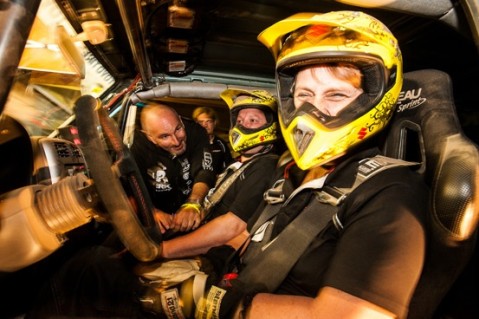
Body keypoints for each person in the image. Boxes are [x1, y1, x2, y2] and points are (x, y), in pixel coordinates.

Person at [192, 11, 429, 319]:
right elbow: (255, 236)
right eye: (304, 95)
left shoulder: (392, 193)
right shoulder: (291, 169)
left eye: (336, 94)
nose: (312, 110)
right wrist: (203, 269)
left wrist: (220, 305)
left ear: (372, 99)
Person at [159, 89, 279, 259]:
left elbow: (232, 226)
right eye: (239, 120)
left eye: (253, 120)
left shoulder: (265, 166)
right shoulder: (238, 164)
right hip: (194, 234)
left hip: (205, 255)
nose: (243, 125)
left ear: (269, 126)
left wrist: (164, 249)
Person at [130, 103, 217, 235]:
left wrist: (193, 204)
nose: (176, 141)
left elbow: (205, 171)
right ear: (149, 137)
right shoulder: (135, 146)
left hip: (191, 208)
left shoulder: (196, 132)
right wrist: (151, 212)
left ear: (181, 120)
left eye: (178, 129)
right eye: (165, 136)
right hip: (156, 213)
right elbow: (128, 187)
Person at [192, 106, 234, 175]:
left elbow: (229, 166)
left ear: (214, 123)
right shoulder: (190, 144)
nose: (204, 125)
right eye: (201, 122)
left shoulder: (221, 144)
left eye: (208, 121)